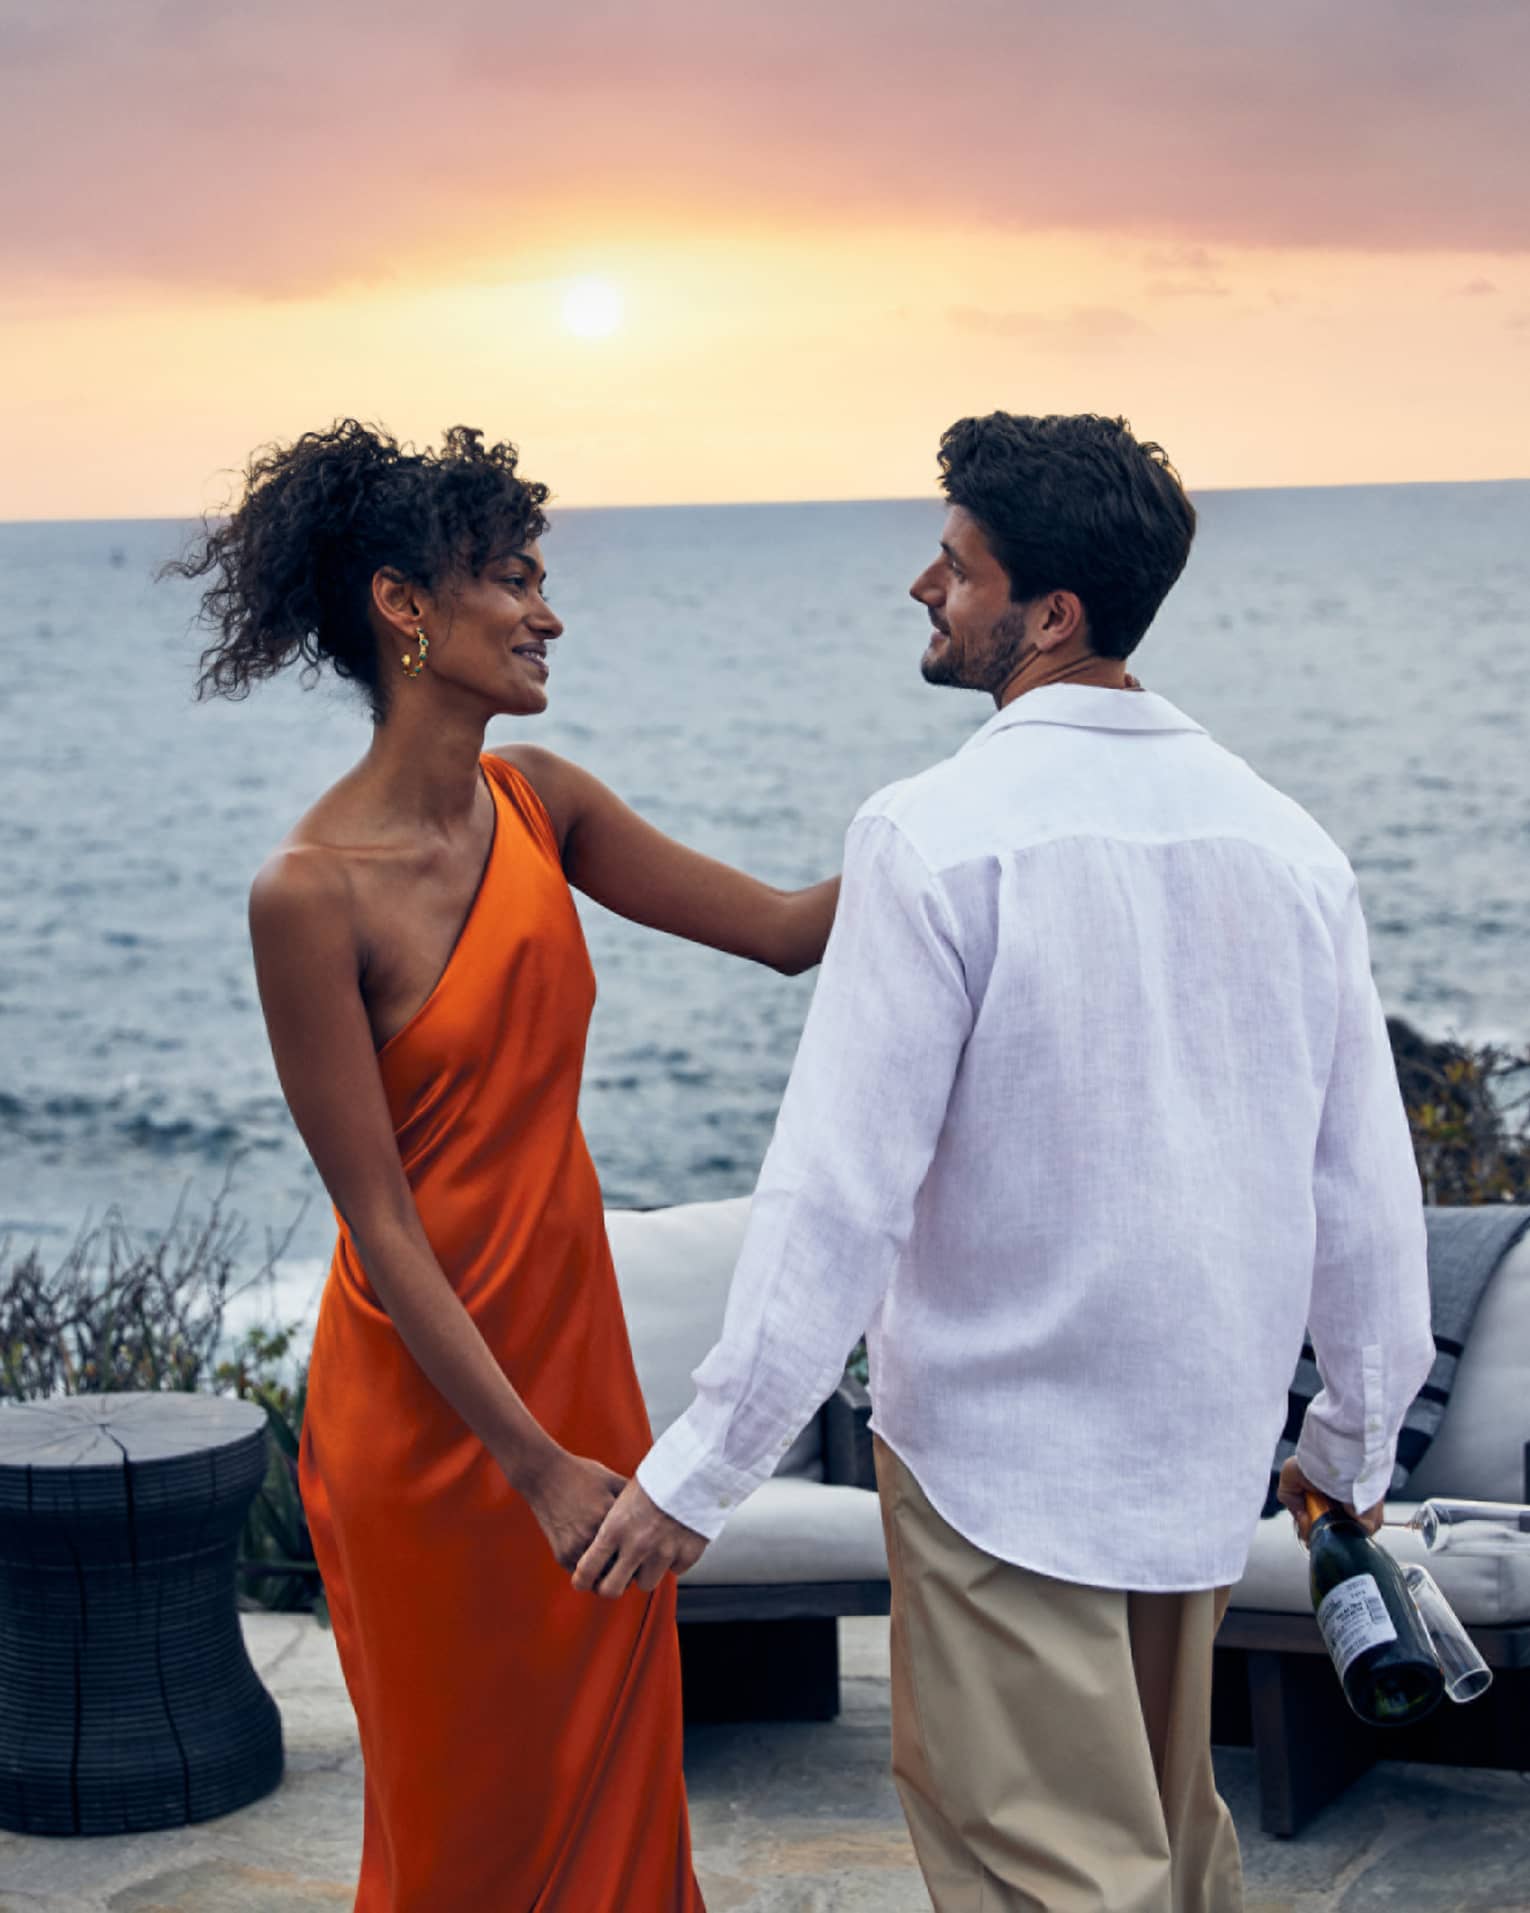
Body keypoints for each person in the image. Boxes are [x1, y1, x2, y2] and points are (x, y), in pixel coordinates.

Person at [577, 412, 1435, 1912]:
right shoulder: (1290, 845)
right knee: (1168, 1855)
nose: (924, 584)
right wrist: (1347, 1449)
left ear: (1050, 614)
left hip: (998, 1468)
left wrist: (702, 1469)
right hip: (1197, 1453)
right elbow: (1363, 1190)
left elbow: (837, 1190)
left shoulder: (933, 835)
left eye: (958, 566)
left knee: (1045, 1873)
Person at [169, 419, 837, 1912]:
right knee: (467, 1807)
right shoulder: (308, 893)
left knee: (609, 1777)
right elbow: (382, 1224)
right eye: (513, 579)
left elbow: (794, 932)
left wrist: (996, 820)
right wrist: (527, 1460)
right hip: (434, 1422)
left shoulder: (547, 802)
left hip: (580, 1371)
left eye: (542, 578)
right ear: (405, 604)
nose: (548, 611)